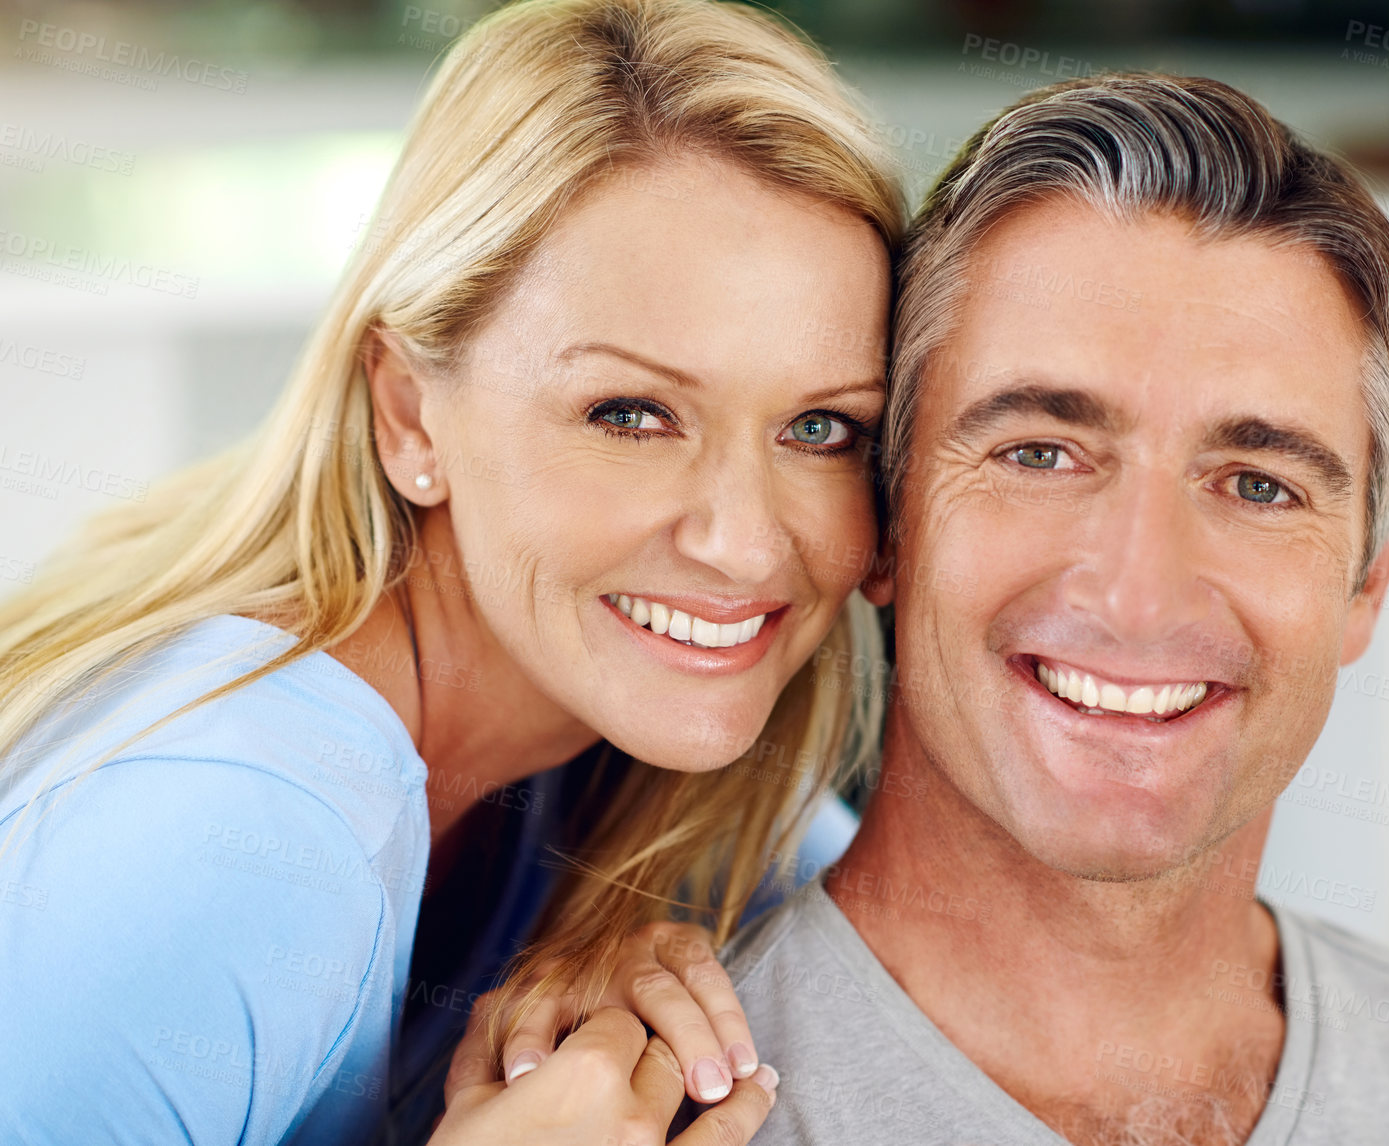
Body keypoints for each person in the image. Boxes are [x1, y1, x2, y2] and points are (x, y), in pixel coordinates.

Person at [472, 74, 1389, 1144]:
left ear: (1372, 578)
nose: (1135, 590)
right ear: (886, 522)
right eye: (1042, 452)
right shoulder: (609, 1123)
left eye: (1258, 484)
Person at [0, 1, 904, 1143]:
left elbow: (939, 976)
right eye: (630, 414)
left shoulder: (638, 769)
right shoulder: (232, 831)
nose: (746, 541)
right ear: (410, 414)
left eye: (822, 430)